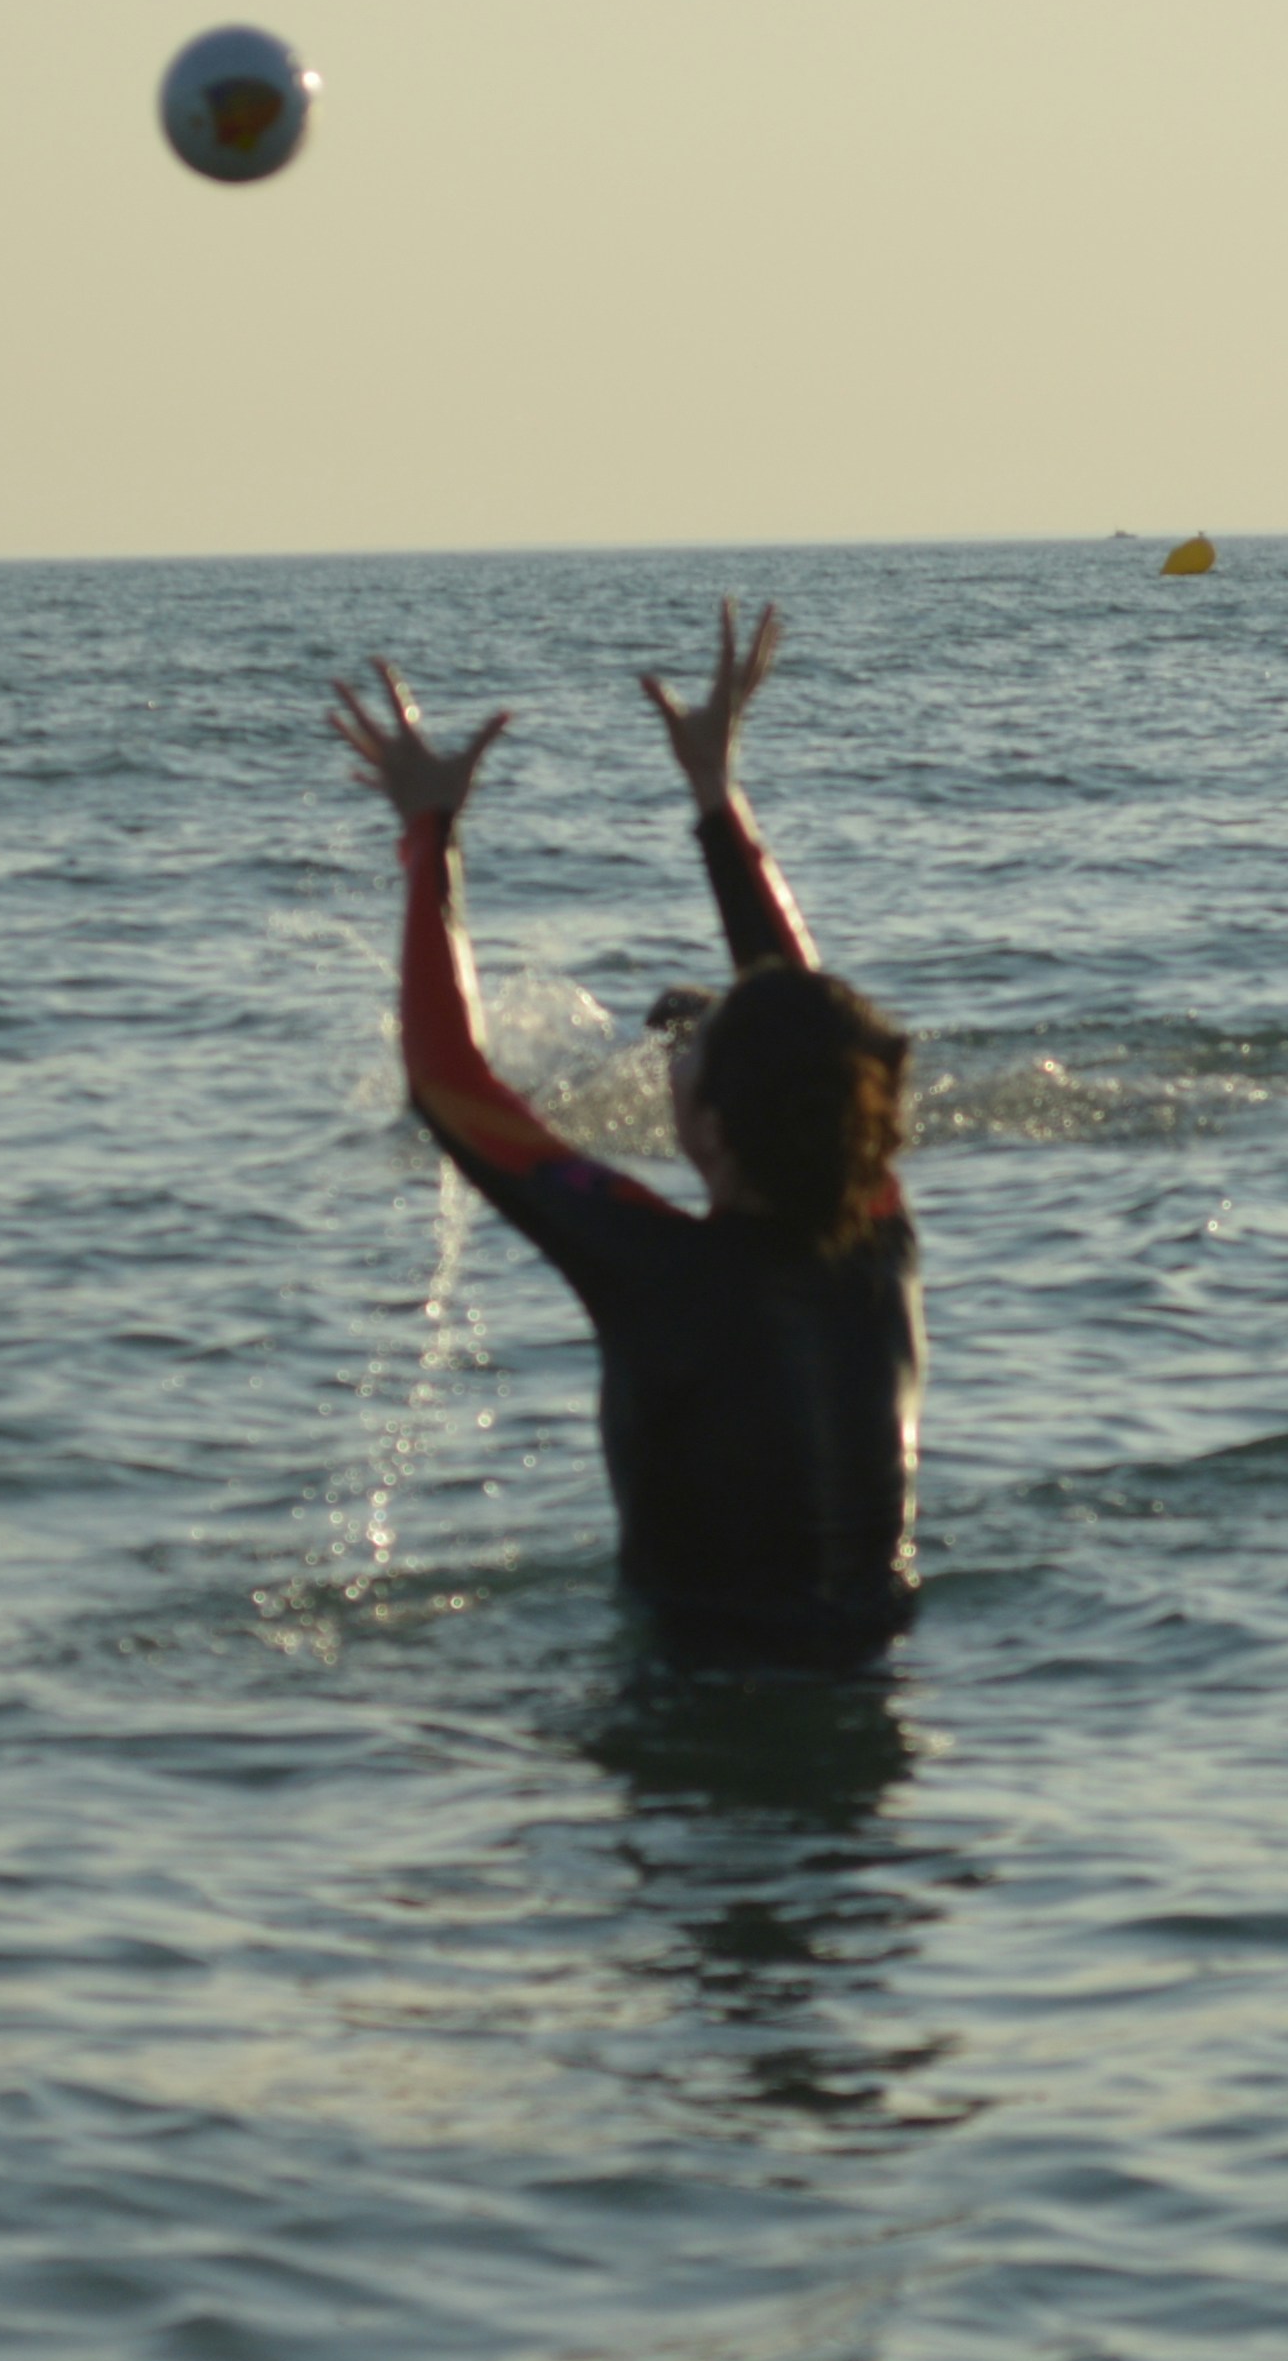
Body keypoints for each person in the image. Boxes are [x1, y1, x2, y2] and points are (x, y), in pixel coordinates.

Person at [331, 600, 923, 1658]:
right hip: (874, 1684)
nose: (674, 1056)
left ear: (712, 1130)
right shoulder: (882, 1242)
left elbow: (448, 1079)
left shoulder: (652, 1264)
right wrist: (714, 795)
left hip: (695, 1702)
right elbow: (808, 1023)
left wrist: (431, 837)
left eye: (691, 1057)